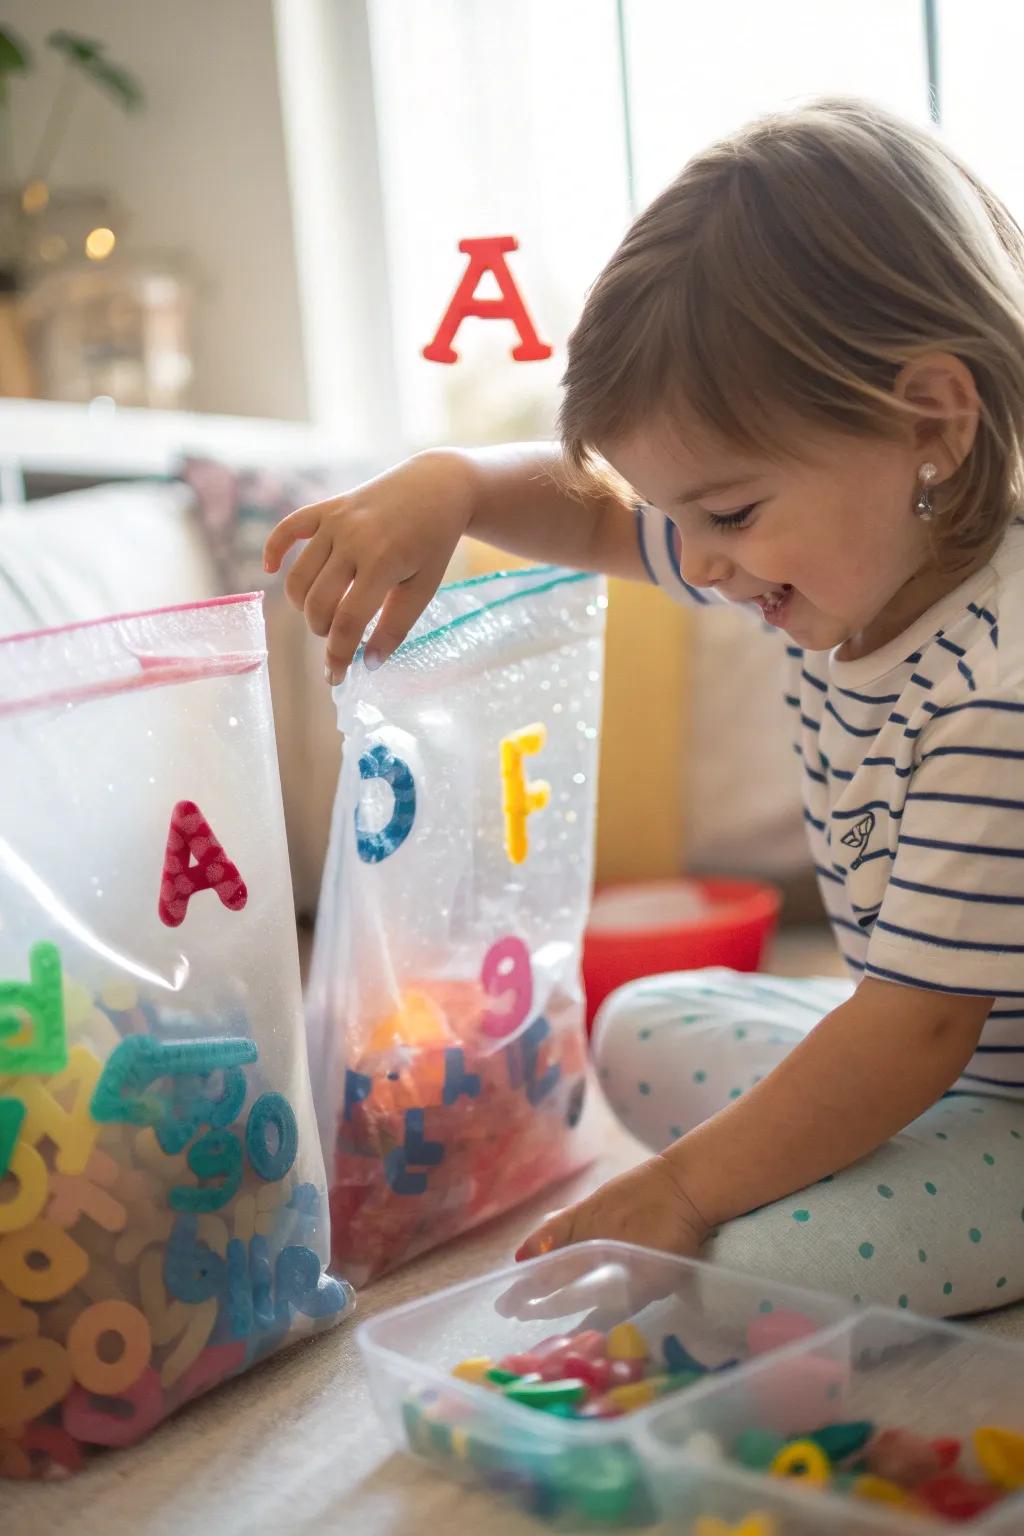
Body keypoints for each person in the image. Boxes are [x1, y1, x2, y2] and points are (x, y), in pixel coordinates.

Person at [265, 97, 1024, 1317]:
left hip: (969, 1077)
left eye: (726, 514)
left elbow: (915, 1036)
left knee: (746, 1278)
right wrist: (452, 485)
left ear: (930, 423)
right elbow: (591, 518)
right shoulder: (827, 555)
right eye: (683, 520)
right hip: (929, 1059)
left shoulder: (1001, 690)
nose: (700, 563)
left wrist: (680, 1192)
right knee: (639, 1028)